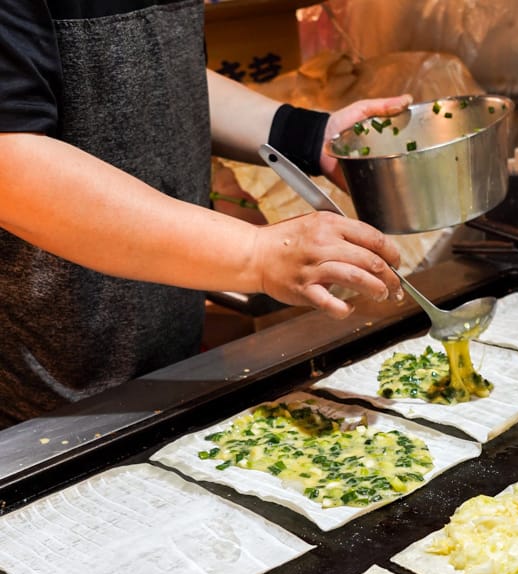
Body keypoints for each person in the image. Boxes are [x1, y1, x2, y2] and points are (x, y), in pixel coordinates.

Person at [0, 1, 411, 427]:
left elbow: (150, 73)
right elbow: (11, 162)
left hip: (163, 359)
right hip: (41, 399)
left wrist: (307, 136)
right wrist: (256, 253)